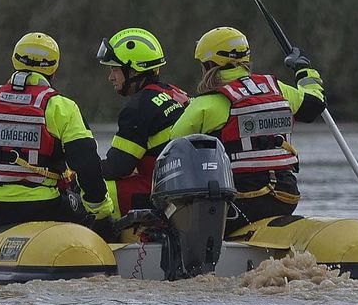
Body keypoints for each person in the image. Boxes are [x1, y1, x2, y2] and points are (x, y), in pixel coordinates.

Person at [0, 31, 116, 230]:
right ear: (54, 70)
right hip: (41, 208)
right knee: (87, 213)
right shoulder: (61, 107)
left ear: (15, 61)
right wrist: (102, 213)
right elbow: (87, 165)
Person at [168, 26, 325, 229]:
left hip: (242, 201)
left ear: (209, 64)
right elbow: (314, 105)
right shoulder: (277, 88)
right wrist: (304, 70)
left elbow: (173, 145)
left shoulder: (207, 104)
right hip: (287, 196)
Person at [95, 27, 189, 212]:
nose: (110, 77)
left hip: (163, 192)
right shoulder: (176, 92)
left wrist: (82, 169)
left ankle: (105, 237)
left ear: (134, 71)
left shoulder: (139, 107)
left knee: (91, 189)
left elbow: (117, 167)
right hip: (185, 187)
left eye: (115, 69)